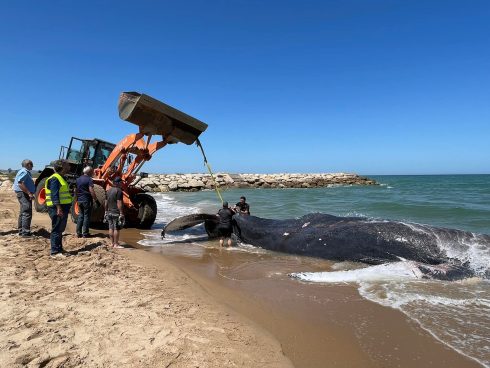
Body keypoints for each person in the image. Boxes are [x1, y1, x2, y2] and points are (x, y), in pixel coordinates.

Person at [45, 160, 73, 257]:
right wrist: (58, 208)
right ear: (62, 166)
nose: (69, 166)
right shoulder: (55, 178)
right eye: (67, 165)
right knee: (56, 229)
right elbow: (54, 194)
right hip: (56, 207)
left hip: (62, 207)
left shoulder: (61, 177)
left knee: (60, 229)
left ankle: (59, 249)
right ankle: (54, 252)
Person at [13, 159, 36, 236]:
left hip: (22, 193)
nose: (32, 166)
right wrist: (29, 193)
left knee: (23, 212)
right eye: (31, 164)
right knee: (26, 212)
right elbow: (20, 183)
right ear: (28, 164)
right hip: (23, 193)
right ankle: (25, 232)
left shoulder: (23, 171)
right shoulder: (24, 172)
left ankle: (21, 230)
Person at [75, 166, 100, 238]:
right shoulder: (89, 180)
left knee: (80, 216)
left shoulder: (78, 179)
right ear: (89, 172)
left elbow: (76, 190)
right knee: (86, 217)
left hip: (80, 200)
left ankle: (78, 233)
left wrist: (77, 199)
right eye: (92, 171)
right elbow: (91, 190)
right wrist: (96, 200)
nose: (93, 172)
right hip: (87, 200)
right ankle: (85, 233)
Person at [105, 177, 125, 248]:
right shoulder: (119, 191)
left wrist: (105, 211)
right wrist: (121, 213)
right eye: (121, 182)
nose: (122, 184)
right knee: (116, 229)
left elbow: (106, 202)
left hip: (109, 212)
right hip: (116, 212)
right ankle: (116, 244)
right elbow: (119, 202)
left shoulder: (108, 190)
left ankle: (112, 243)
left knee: (111, 228)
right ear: (118, 183)